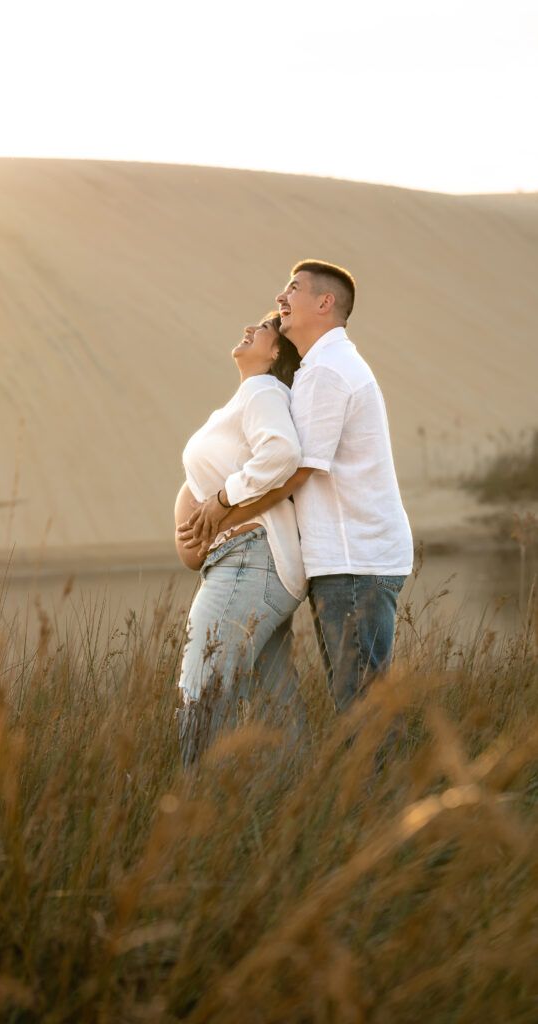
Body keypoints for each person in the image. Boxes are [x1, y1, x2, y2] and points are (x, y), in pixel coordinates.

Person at [183, 260, 413, 720]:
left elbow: (294, 470)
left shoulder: (327, 371)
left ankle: (380, 791)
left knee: (361, 707)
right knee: (356, 702)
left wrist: (222, 508)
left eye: (293, 288)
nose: (280, 297)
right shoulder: (318, 369)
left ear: (324, 303)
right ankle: (375, 789)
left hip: (355, 561)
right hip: (347, 560)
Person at [174, 315, 307, 767]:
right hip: (251, 565)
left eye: (268, 326)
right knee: (276, 705)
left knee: (201, 688)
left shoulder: (263, 391)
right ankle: (297, 801)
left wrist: (221, 498)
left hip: (249, 563)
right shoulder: (252, 396)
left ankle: (194, 804)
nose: (253, 325)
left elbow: (283, 452)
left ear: (276, 354)